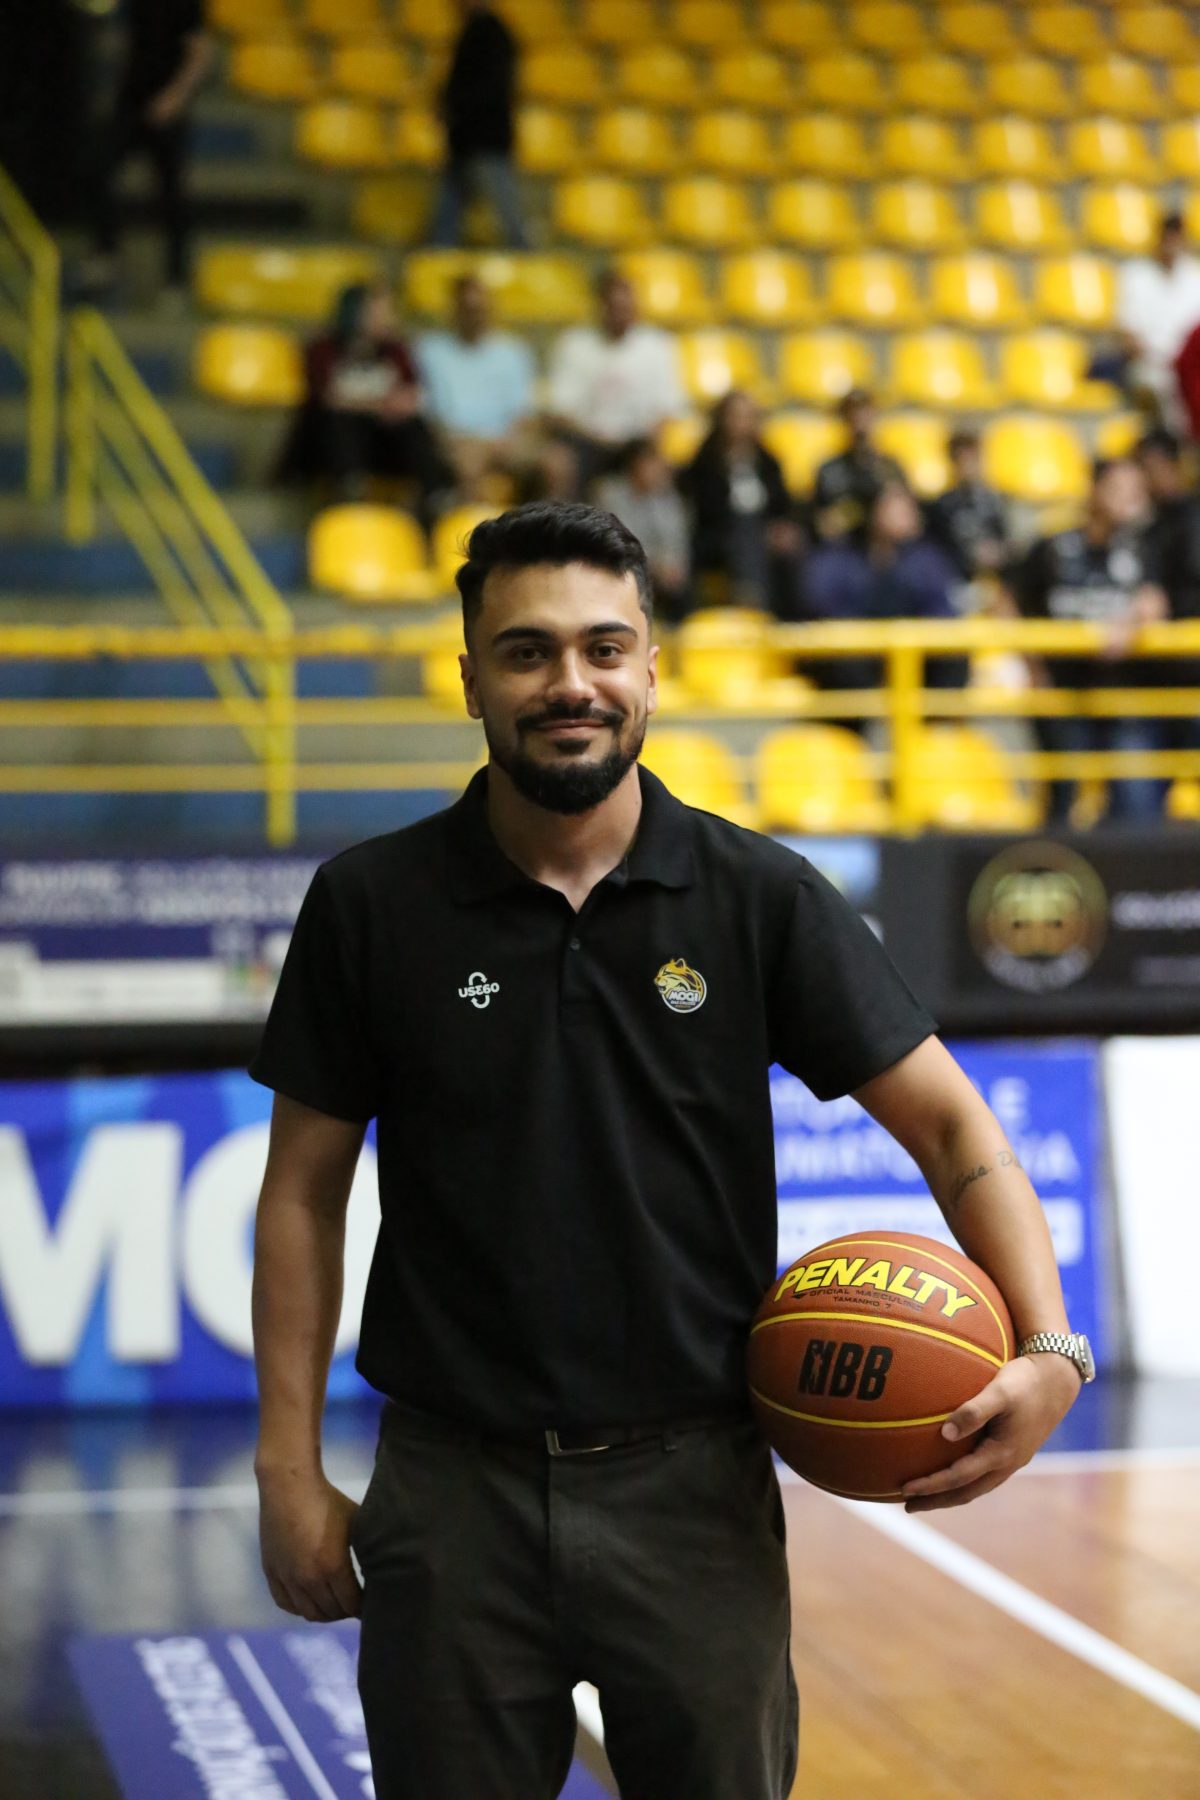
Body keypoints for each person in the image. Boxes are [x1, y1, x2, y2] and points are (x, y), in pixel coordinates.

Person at [249, 499, 1087, 1800]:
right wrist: (287, 1468)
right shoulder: (372, 903)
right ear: (469, 676)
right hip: (449, 1492)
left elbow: (953, 1125)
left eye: (603, 647)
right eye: (526, 651)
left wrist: (1048, 1346)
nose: (569, 683)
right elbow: (302, 1194)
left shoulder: (759, 895)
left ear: (652, 667)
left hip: (695, 1491)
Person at [1006, 457, 1170, 823]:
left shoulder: (1142, 548)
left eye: (1137, 490)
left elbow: (1155, 600)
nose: (1131, 499)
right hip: (1063, 695)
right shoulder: (1053, 547)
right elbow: (1009, 600)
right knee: (1063, 804)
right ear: (1095, 491)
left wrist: (1130, 623)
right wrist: (1032, 666)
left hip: (1121, 697)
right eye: (1120, 489)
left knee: (1135, 806)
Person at [278, 282, 451, 512]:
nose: (388, 319)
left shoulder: (396, 350)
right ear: (355, 313)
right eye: (379, 312)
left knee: (412, 425)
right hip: (327, 445)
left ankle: (435, 495)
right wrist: (378, 405)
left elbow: (411, 393)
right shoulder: (323, 348)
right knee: (340, 421)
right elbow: (328, 397)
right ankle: (350, 488)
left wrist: (391, 405)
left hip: (380, 440)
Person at [85, 0, 213, 299]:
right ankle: (105, 254)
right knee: (97, 167)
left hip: (168, 109)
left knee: (172, 194)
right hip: (130, 102)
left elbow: (200, 55)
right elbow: (124, 39)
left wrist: (174, 98)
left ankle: (176, 280)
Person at [802, 480, 969, 707]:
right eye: (896, 506)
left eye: (908, 506)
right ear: (873, 510)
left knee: (952, 659)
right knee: (844, 666)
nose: (907, 514)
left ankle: (934, 726)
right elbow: (823, 606)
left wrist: (907, 635)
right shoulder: (838, 556)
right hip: (857, 655)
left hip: (915, 657)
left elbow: (943, 609)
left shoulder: (928, 558)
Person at [545, 270, 686, 481]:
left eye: (625, 308)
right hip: (585, 442)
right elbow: (560, 410)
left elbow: (667, 410)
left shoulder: (658, 346)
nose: (620, 315)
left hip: (637, 444)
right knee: (557, 464)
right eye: (614, 308)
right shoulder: (574, 345)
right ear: (600, 306)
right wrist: (598, 438)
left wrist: (645, 441)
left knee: (653, 466)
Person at [679, 390, 804, 615]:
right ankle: (754, 606)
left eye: (748, 416)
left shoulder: (768, 461)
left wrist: (782, 528)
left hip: (764, 530)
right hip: (718, 535)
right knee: (745, 533)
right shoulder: (706, 461)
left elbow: (782, 505)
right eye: (736, 416)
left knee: (791, 542)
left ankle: (793, 618)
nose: (742, 423)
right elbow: (705, 509)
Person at [416, 273, 538, 498]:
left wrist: (506, 441)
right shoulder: (431, 351)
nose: (474, 316)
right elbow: (433, 413)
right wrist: (468, 442)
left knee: (555, 464)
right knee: (470, 463)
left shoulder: (513, 351)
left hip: (507, 440)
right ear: (455, 309)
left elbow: (523, 411)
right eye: (468, 309)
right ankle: (469, 519)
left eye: (479, 308)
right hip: (457, 440)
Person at [428, 0, 528, 250]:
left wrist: (453, 105)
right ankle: (440, 253)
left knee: (504, 204)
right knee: (451, 202)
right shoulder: (475, 30)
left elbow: (488, 87)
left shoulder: (491, 34)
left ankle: (526, 253)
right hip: (466, 137)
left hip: (485, 137)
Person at [1115, 210, 1200, 429]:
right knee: (1159, 384)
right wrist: (1161, 362)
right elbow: (1128, 334)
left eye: (1176, 237)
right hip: (1150, 365)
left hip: (1189, 365)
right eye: (1168, 237)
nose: (1171, 244)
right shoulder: (1136, 275)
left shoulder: (1195, 276)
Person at [596, 438, 691, 622]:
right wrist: (654, 566)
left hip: (663, 574)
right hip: (623, 568)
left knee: (683, 589)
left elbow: (676, 538)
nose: (658, 470)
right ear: (635, 465)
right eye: (651, 464)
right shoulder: (610, 495)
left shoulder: (666, 496)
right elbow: (620, 541)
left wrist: (674, 564)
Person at [811, 388, 905, 540]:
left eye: (865, 413)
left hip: (884, 543)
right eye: (853, 414)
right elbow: (822, 523)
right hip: (843, 545)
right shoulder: (829, 470)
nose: (859, 421)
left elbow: (906, 521)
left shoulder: (889, 467)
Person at [925, 429, 1010, 584]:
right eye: (963, 461)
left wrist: (998, 552)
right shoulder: (942, 506)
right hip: (956, 578)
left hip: (997, 576)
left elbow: (1008, 540)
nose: (969, 467)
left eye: (973, 459)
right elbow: (938, 550)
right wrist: (970, 555)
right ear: (953, 463)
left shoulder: (996, 501)